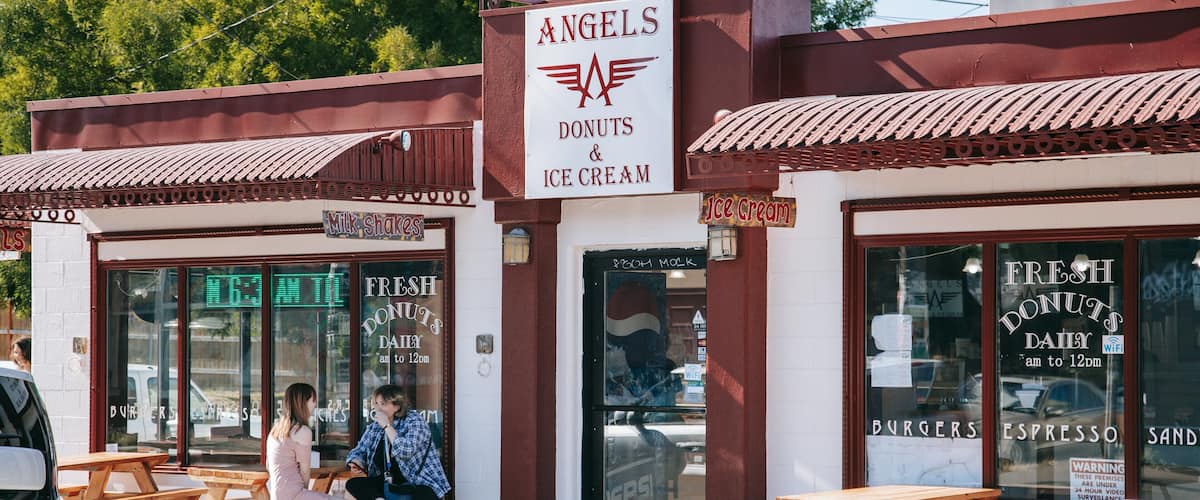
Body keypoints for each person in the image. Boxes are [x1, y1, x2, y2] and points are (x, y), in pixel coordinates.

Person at [345, 385, 449, 500]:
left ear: (397, 406)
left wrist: (387, 426)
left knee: (423, 494)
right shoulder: (375, 427)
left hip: (418, 483)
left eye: (383, 404)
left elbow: (405, 451)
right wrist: (357, 462)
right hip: (388, 483)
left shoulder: (414, 420)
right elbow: (359, 450)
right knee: (353, 484)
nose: (378, 408)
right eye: (376, 403)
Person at [267, 383, 335, 500]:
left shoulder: (275, 430)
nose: (315, 404)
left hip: (276, 494)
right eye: (313, 400)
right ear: (304, 403)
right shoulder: (302, 431)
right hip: (295, 494)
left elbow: (269, 465)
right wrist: (306, 492)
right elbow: (305, 470)